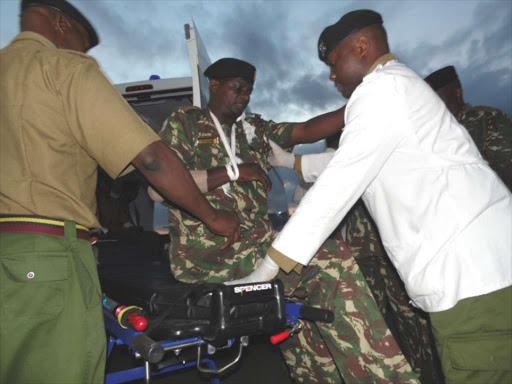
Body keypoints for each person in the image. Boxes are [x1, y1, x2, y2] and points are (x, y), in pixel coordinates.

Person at [240, 9, 512, 384]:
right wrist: (289, 160)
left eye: (334, 62)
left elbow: (339, 183)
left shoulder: (379, 91)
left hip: (468, 277)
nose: (332, 74)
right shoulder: (399, 87)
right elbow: (349, 159)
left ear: (363, 46)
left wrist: (265, 271)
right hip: (488, 266)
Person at [0, 1, 240, 383]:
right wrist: (213, 217)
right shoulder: (64, 69)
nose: (83, 52)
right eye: (83, 42)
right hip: (46, 260)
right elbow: (154, 161)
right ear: (61, 24)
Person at [151, 57, 420, 383]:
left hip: (256, 247)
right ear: (215, 84)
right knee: (327, 257)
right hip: (210, 255)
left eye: (249, 91)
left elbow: (307, 130)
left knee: (302, 318)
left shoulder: (255, 130)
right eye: (238, 88)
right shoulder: (187, 123)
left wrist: (366, 101)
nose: (244, 97)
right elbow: (157, 189)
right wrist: (232, 172)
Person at [269, 137, 440, 384]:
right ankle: (383, 370)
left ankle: (424, 374)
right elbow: (305, 203)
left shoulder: (368, 155)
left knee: (412, 320)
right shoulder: (327, 165)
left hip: (392, 255)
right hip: (359, 257)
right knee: (367, 322)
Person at [424, 65, 512, 190]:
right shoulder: (435, 134)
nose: (436, 107)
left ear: (457, 92)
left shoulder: (485, 120)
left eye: (440, 100)